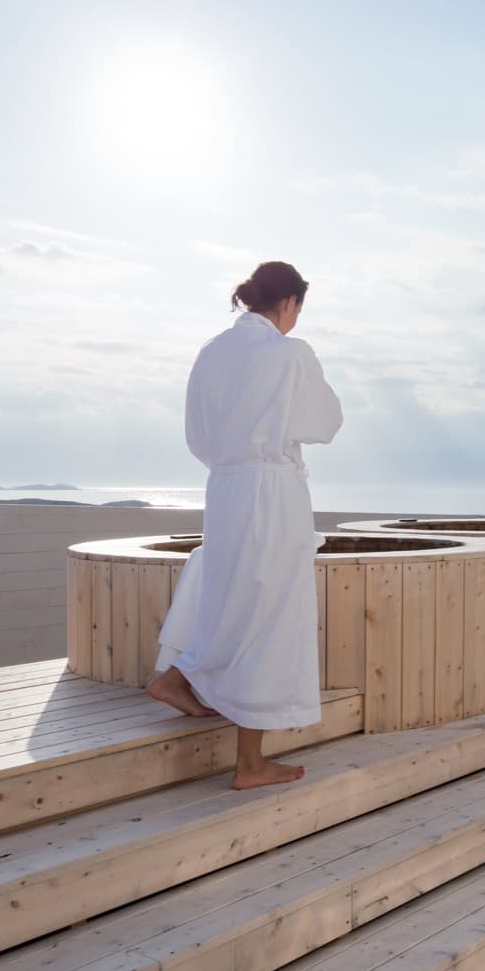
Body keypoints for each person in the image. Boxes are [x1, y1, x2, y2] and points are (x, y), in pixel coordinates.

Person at [147, 260, 343, 789]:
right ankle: (250, 762)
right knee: (270, 611)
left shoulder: (211, 353)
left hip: (225, 488)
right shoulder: (288, 354)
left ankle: (177, 676)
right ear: (290, 303)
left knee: (232, 593)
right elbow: (325, 423)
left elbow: (198, 435)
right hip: (271, 490)